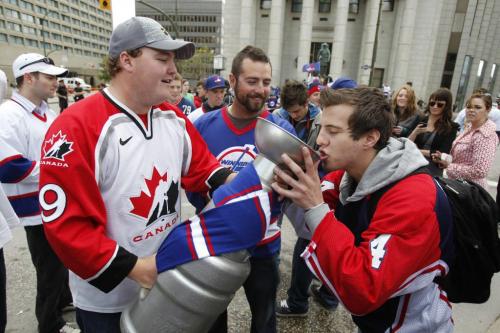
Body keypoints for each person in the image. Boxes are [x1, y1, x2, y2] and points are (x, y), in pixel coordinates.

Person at [38, 17, 233, 333]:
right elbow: (67, 227)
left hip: (168, 284)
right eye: (162, 58)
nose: (173, 70)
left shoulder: (173, 117)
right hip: (109, 300)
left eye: (173, 60)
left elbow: (203, 169)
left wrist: (248, 186)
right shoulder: (76, 126)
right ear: (126, 60)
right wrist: (137, 268)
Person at [272, 87, 454, 333]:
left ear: (370, 138)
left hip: (410, 324)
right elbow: (307, 224)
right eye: (320, 127)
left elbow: (362, 290)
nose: (320, 139)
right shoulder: (345, 176)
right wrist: (287, 187)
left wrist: (316, 207)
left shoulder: (414, 197)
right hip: (375, 322)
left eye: (333, 131)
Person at [191, 45, 294, 333]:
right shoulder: (204, 126)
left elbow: (295, 185)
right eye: (252, 81)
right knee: (211, 319)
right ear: (232, 81)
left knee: (264, 319)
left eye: (266, 82)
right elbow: (189, 180)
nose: (260, 90)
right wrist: (210, 197)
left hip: (263, 246)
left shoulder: (282, 131)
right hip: (216, 243)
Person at [0, 53, 77, 333]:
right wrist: (58, 170)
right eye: (49, 77)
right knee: (49, 269)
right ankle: (50, 324)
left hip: (52, 202)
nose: (55, 82)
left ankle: (64, 303)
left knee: (60, 263)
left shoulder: (47, 113)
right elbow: (8, 167)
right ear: (28, 78)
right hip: (32, 209)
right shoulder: (7, 115)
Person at [272, 80, 339, 317]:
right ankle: (274, 269)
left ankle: (300, 301)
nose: (293, 115)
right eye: (289, 112)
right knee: (274, 226)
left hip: (312, 185)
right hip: (284, 180)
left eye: (298, 111)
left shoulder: (320, 120)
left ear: (307, 103)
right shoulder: (277, 116)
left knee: (309, 239)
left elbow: (320, 156)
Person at [433, 93, 498, 189]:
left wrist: (449, 166)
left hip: (471, 190)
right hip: (459, 185)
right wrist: (443, 158)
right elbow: (463, 159)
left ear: (487, 110)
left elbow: (480, 170)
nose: (471, 110)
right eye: (469, 107)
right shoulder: (470, 128)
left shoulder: (485, 135)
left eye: (477, 107)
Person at [408, 88, 458, 176]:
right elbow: (407, 143)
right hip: (412, 162)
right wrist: (414, 133)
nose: (435, 106)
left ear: (446, 106)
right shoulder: (421, 119)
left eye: (439, 104)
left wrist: (418, 150)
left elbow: (442, 152)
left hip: (431, 168)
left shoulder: (451, 127)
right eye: (432, 103)